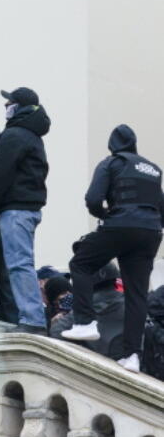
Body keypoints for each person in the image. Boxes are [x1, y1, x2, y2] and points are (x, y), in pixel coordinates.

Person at [60, 125, 163, 372]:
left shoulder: (111, 163)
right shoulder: (153, 170)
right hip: (150, 232)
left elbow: (93, 199)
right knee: (137, 294)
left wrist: (106, 215)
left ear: (113, 145)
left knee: (80, 264)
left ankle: (85, 321)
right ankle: (132, 357)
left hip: (120, 224)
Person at [0, 88, 51, 334]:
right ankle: (31, 318)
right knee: (22, 263)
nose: (6, 106)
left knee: (19, 265)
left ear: (18, 107)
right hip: (27, 208)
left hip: (16, 210)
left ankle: (31, 320)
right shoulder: (32, 135)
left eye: (9, 102)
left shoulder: (14, 135)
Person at [53, 263, 125, 360]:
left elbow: (57, 331)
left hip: (93, 366)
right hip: (130, 368)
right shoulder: (131, 304)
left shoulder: (84, 307)